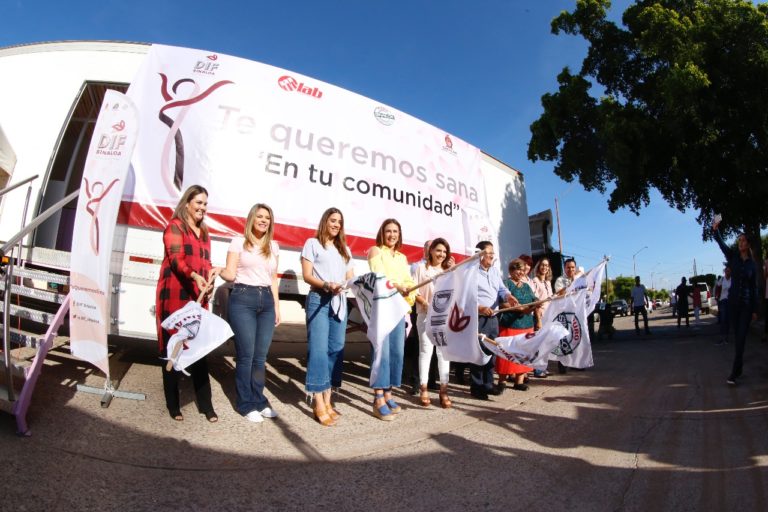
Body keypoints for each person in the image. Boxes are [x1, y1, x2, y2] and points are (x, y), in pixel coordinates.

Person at [155, 185, 221, 422]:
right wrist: (194, 276)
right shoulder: (175, 226)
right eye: (199, 203)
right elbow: (176, 259)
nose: (203, 208)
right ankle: (173, 405)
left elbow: (205, 261)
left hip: (197, 298)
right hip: (175, 294)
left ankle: (206, 406)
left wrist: (210, 277)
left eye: (205, 203)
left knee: (199, 350)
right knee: (173, 350)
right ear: (187, 203)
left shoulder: (204, 232)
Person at [219, 203, 280, 423]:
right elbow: (230, 273)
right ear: (252, 219)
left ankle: (259, 400)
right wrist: (217, 270)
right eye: (260, 216)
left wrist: (277, 306)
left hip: (266, 302)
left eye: (267, 217)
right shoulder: (238, 242)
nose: (264, 220)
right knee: (246, 356)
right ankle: (245, 404)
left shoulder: (273, 246)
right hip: (243, 299)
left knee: (260, 357)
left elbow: (273, 278)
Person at [301, 207, 355, 426]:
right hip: (319, 299)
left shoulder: (345, 250)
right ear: (325, 221)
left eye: (339, 222)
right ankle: (317, 399)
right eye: (333, 220)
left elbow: (350, 277)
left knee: (336, 349)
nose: (336, 225)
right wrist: (326, 284)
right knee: (319, 350)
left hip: (339, 301)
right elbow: (307, 275)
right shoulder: (312, 243)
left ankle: (328, 398)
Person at [367, 219, 416, 420]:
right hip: (382, 308)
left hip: (400, 308)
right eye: (388, 231)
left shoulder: (403, 257)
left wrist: (408, 296)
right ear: (382, 233)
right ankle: (378, 398)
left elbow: (409, 281)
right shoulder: (375, 251)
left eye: (395, 231)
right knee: (382, 353)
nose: (392, 235)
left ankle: (389, 393)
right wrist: (398, 287)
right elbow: (379, 277)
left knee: (396, 352)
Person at [712, 219, 758, 386]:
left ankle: (734, 372)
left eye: (743, 240)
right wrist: (716, 231)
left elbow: (754, 289)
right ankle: (738, 369)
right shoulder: (734, 259)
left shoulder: (752, 266)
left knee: (740, 339)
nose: (740, 243)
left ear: (748, 244)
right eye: (739, 241)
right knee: (737, 338)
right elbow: (723, 245)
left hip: (746, 307)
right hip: (733, 305)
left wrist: (755, 309)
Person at [472, 241, 516, 400]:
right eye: (488, 252)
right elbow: (466, 297)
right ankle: (477, 387)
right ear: (479, 254)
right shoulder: (471, 272)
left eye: (492, 253)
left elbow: (502, 289)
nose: (491, 256)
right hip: (479, 317)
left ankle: (488, 384)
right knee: (479, 352)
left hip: (493, 318)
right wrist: (480, 308)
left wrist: (508, 296)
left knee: (492, 351)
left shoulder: (495, 272)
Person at [413, 238, 453, 408]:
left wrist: (453, 271)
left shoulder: (448, 271)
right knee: (426, 352)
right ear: (430, 251)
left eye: (444, 251)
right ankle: (424, 388)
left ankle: (444, 390)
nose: (441, 254)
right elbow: (414, 290)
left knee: (443, 354)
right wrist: (425, 304)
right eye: (438, 250)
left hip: (444, 319)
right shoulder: (421, 268)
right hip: (425, 315)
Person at [496, 258, 537, 392]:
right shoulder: (506, 284)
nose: (520, 272)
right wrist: (518, 309)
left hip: (526, 324)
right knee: (506, 352)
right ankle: (502, 381)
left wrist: (536, 303)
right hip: (509, 324)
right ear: (511, 270)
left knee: (523, 353)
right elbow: (501, 303)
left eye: (522, 270)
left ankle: (519, 381)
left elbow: (533, 299)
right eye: (518, 269)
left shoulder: (526, 286)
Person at [715, 265, 732, 345]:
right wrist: (717, 298)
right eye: (726, 271)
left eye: (729, 271)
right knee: (723, 319)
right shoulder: (722, 279)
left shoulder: (732, 280)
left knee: (728, 320)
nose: (728, 272)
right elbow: (717, 288)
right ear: (724, 272)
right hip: (723, 301)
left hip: (730, 302)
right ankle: (722, 338)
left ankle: (727, 337)